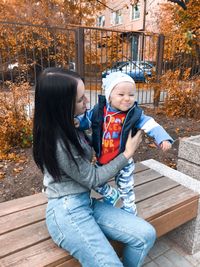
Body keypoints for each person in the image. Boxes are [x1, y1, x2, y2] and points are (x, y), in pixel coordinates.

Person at [33, 67, 156, 267]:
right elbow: (93, 178)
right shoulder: (58, 142)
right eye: (81, 99)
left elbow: (94, 144)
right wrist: (127, 153)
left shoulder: (69, 126)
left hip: (85, 202)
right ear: (62, 105)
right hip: (67, 211)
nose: (87, 102)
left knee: (145, 235)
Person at [77, 72, 173, 215]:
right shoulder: (99, 110)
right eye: (121, 95)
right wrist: (78, 122)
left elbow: (151, 124)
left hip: (124, 160)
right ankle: (110, 194)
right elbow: (88, 120)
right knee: (95, 183)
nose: (127, 99)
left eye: (131, 95)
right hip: (103, 158)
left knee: (126, 187)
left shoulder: (134, 114)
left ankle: (129, 209)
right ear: (109, 95)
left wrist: (162, 138)